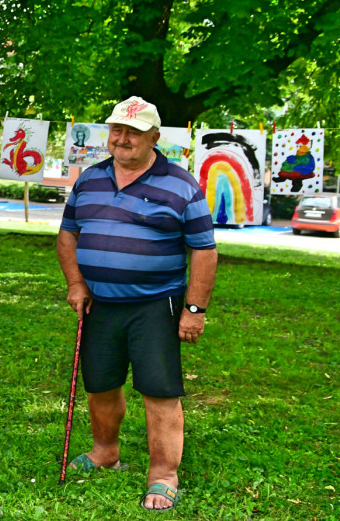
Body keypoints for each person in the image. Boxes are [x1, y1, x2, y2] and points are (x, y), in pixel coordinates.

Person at [55, 96, 217, 512]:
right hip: (100, 304)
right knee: (101, 384)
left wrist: (194, 310)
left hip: (155, 305)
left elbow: (203, 250)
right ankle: (105, 451)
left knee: (159, 391)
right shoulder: (89, 179)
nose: (122, 139)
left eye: (133, 132)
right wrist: (76, 282)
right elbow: (69, 233)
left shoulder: (181, 184)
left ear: (154, 137)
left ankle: (164, 474)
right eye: (116, 130)